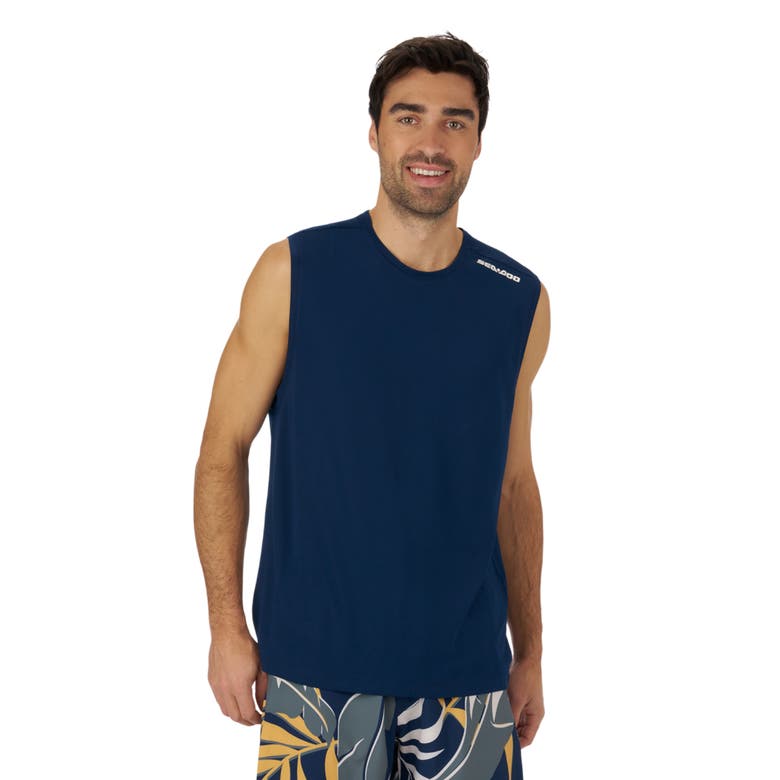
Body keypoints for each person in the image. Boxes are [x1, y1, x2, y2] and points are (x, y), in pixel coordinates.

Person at [194, 31, 550, 780]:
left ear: (479, 141)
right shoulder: (295, 271)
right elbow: (223, 447)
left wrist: (531, 652)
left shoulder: (518, 299)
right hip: (316, 673)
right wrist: (226, 625)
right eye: (408, 116)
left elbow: (514, 485)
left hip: (468, 677)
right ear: (375, 132)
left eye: (455, 120)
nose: (431, 142)